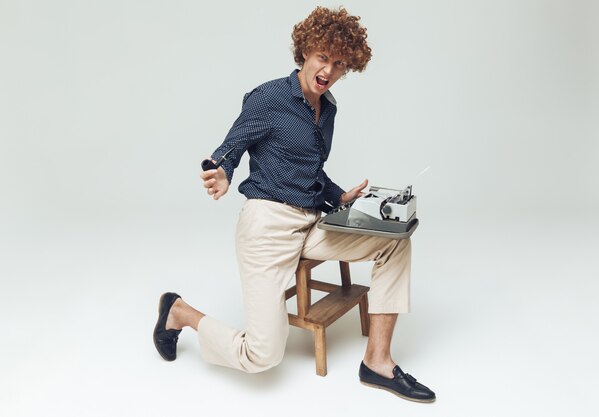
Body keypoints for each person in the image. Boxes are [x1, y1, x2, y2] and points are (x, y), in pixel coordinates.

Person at [153, 6, 435, 403]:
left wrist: (338, 196)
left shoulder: (328, 107)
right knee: (263, 355)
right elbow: (232, 146)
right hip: (266, 226)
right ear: (304, 52)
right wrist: (222, 171)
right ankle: (180, 312)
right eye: (323, 57)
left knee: (395, 241)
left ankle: (377, 361)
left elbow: (309, 169)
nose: (330, 70)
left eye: (340, 63)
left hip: (312, 223)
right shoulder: (269, 97)